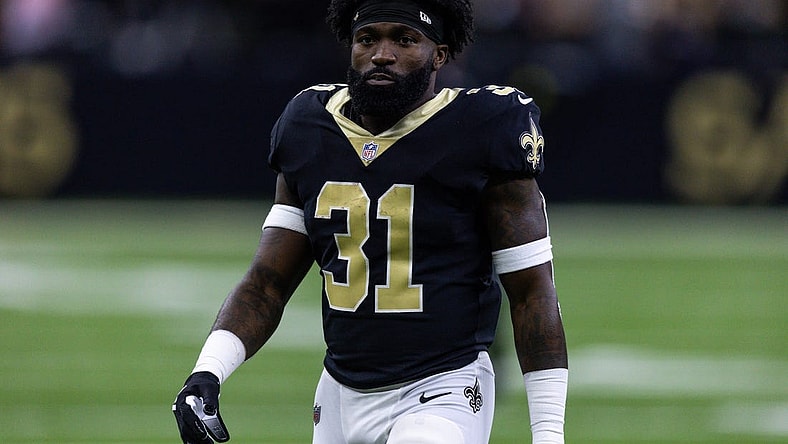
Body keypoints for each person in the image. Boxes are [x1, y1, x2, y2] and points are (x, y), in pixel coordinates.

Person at [172, 0, 568, 442]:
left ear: (439, 54)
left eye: (404, 39)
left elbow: (533, 292)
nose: (382, 53)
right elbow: (267, 281)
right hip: (340, 392)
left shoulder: (482, 127)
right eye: (368, 38)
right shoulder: (309, 127)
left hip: (443, 384)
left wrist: (548, 433)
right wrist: (207, 372)